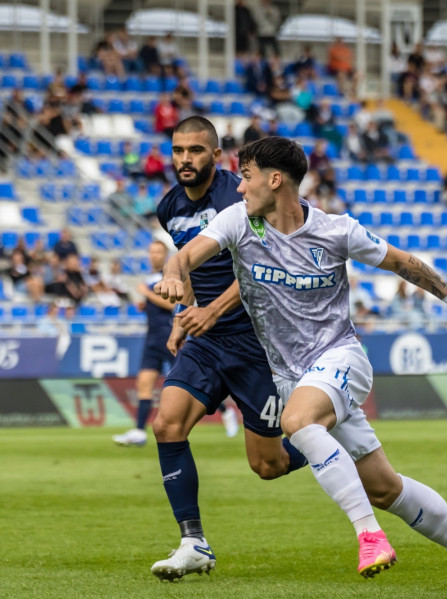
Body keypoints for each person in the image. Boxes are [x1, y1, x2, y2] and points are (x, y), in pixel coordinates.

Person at [155, 136, 447, 596]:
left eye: (245, 178)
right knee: (386, 489)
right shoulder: (238, 222)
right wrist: (173, 273)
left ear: (274, 179)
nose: (239, 188)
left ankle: (369, 536)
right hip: (292, 375)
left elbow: (402, 262)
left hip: (340, 357)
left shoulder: (336, 230)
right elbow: (185, 254)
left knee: (297, 421)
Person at [148, 117, 309, 581]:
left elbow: (268, 266)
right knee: (166, 424)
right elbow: (188, 264)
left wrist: (213, 310)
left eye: (196, 151)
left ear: (216, 157)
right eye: (178, 150)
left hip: (258, 341)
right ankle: (193, 542)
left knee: (268, 464)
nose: (185, 159)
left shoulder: (241, 197)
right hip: (207, 338)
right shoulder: (169, 207)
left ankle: (325, 445)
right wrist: (186, 312)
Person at [113, 240, 242, 447]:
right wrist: (144, 304)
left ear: (164, 255)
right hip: (151, 337)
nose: (153, 255)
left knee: (192, 379)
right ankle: (138, 431)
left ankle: (226, 412)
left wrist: (147, 295)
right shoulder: (150, 279)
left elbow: (174, 302)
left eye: (157, 252)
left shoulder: (169, 277)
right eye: (151, 252)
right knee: (144, 384)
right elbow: (158, 305)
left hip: (168, 335)